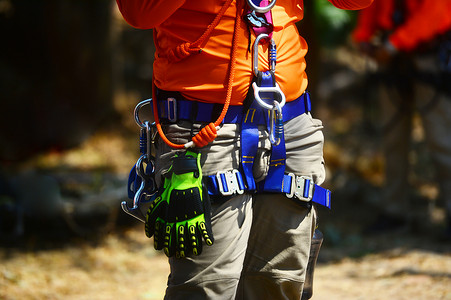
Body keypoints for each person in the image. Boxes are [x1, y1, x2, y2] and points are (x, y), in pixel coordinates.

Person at [116, 0, 373, 299]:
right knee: (206, 288)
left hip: (288, 124)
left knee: (278, 281)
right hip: (204, 130)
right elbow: (138, 12)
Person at [352, 0, 451, 237]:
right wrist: (364, 37)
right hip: (391, 58)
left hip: (429, 55)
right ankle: (394, 212)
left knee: (442, 140)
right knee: (392, 139)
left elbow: (435, 13)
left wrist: (394, 45)